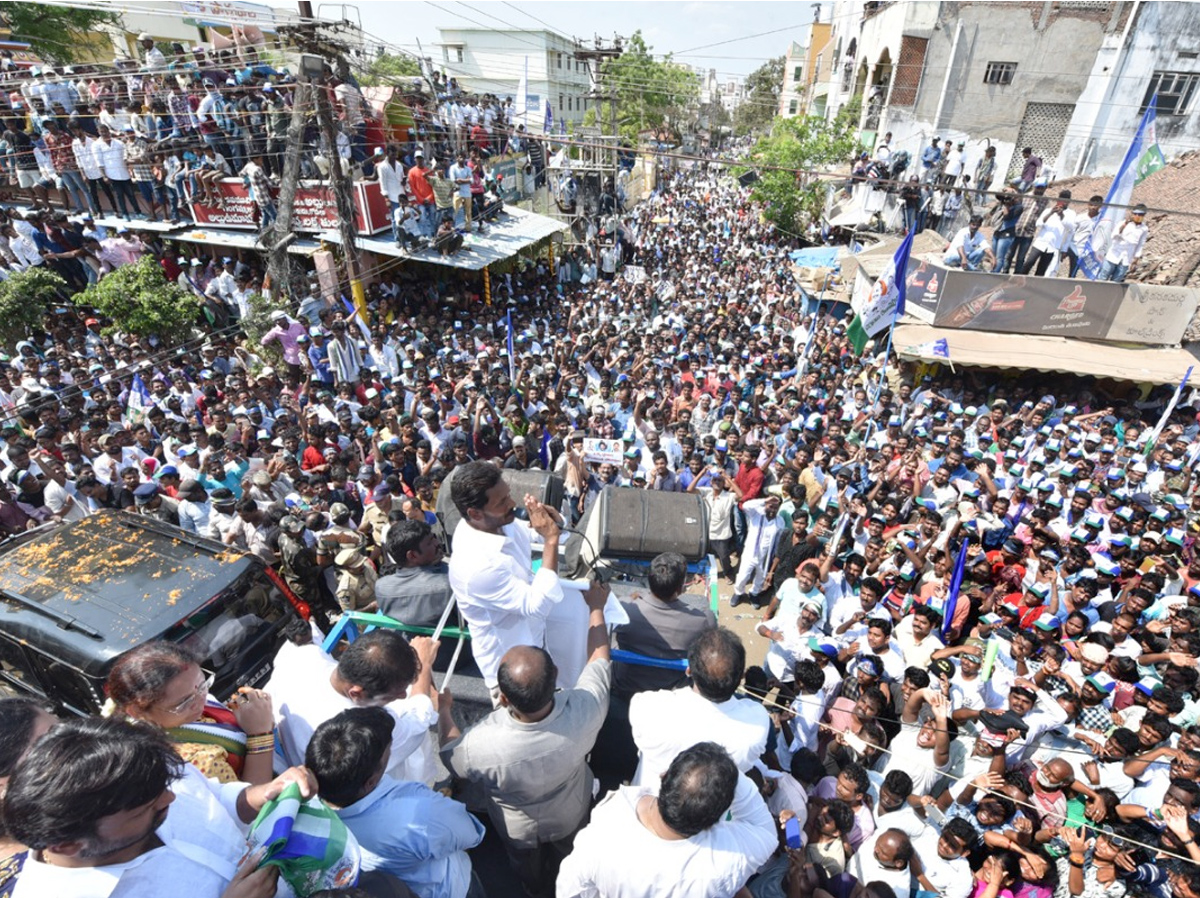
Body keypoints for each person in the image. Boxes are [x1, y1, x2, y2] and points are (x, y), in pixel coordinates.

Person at [439, 569, 611, 895]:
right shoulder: (587, 709)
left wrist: (444, 710)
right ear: (557, 675)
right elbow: (600, 658)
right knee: (568, 859)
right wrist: (596, 607)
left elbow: (451, 756)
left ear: (502, 698)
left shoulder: (481, 744)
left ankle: (530, 890)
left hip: (517, 828)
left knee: (523, 867)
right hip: (570, 813)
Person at [2, 716, 310, 899]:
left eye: (166, 787)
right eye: (144, 810)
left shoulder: (146, 770)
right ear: (69, 845)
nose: (170, 800)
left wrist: (262, 793)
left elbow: (216, 797)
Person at [447, 461, 594, 697]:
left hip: (535, 643)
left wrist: (553, 524)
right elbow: (537, 606)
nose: (513, 505)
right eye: (502, 502)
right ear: (474, 513)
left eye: (508, 496)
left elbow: (530, 531)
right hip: (510, 670)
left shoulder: (497, 523)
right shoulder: (475, 566)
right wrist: (551, 541)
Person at [556, 742, 777, 897]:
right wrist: (727, 772)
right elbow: (766, 831)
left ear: (664, 776)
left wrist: (711, 765)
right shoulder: (725, 862)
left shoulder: (606, 828)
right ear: (714, 820)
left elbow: (570, 891)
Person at [307, 707, 485, 898]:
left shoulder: (303, 814)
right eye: (388, 752)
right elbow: (471, 833)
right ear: (370, 782)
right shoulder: (418, 813)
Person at [268, 628, 440, 786]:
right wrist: (424, 666)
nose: (402, 696)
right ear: (356, 693)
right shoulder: (364, 730)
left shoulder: (303, 656)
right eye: (394, 694)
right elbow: (416, 724)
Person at [103, 641, 276, 785]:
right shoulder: (195, 762)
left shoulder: (185, 694)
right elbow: (251, 803)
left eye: (203, 684)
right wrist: (260, 733)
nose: (201, 700)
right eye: (185, 702)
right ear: (136, 711)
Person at [628, 627, 769, 786]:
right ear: (741, 678)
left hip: (648, 803)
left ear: (688, 670)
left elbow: (638, 704)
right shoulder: (757, 722)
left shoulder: (651, 708)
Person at [611, 551, 717, 696]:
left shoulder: (624, 608)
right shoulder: (703, 621)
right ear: (680, 588)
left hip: (626, 685)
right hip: (671, 691)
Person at [376, 518, 453, 627]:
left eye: (434, 538)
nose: (438, 543)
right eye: (430, 542)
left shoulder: (382, 586)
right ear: (412, 555)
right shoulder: (447, 585)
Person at [1098, 203, 1149, 282]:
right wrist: (1125, 225)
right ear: (1132, 213)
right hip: (1113, 255)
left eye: (1140, 214)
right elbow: (1114, 236)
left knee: (1116, 281)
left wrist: (1135, 259)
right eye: (1135, 214)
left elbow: (1140, 244)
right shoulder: (1123, 223)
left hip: (1126, 259)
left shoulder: (1144, 229)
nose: (1137, 216)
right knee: (1102, 278)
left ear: (1144, 215)